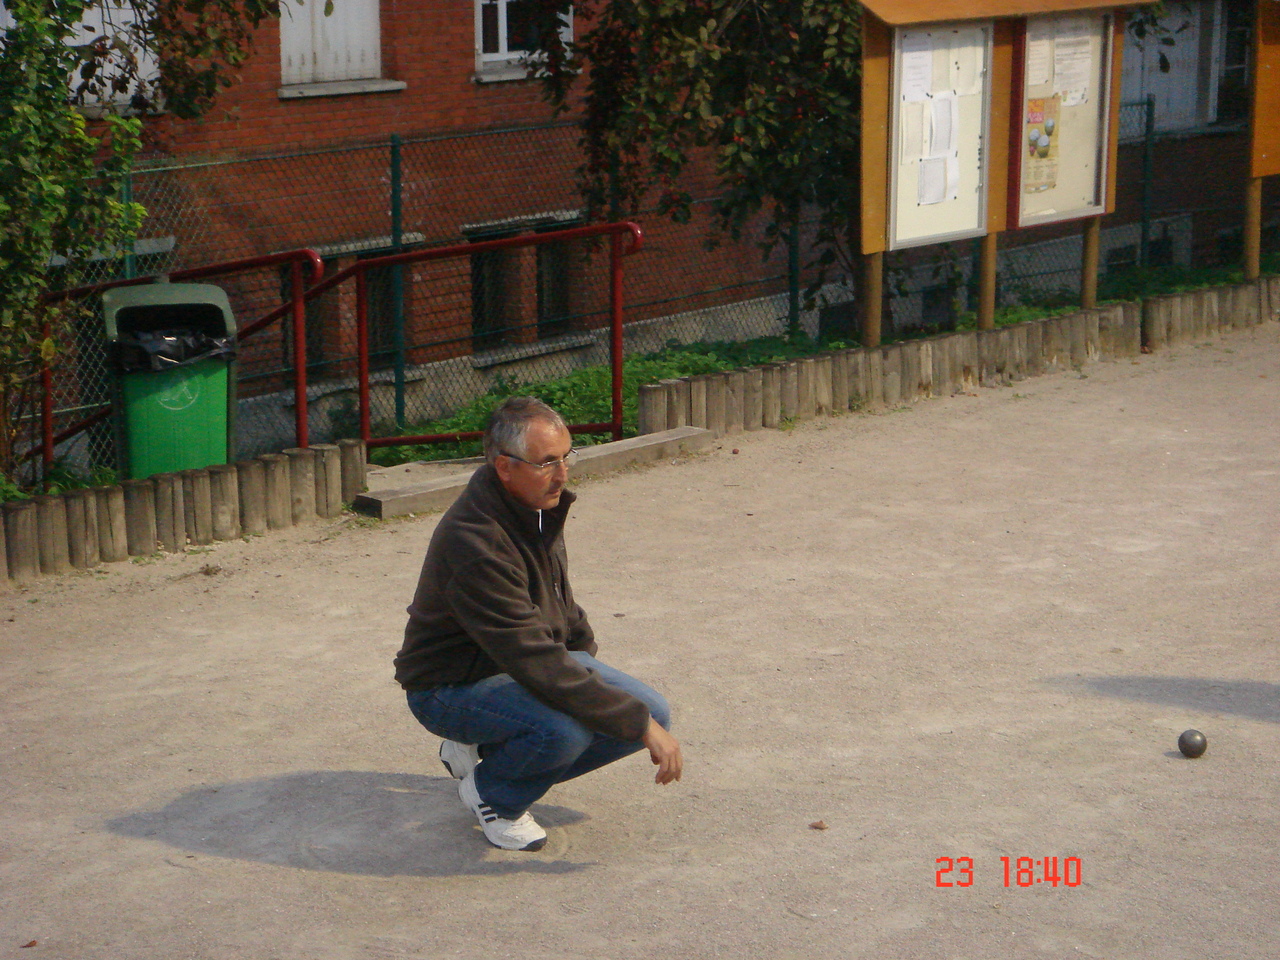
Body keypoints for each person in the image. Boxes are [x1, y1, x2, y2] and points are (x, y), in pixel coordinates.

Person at [394, 396, 682, 851]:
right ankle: (493, 795)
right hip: (449, 685)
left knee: (651, 710)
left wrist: (586, 662)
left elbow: (558, 600)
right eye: (547, 462)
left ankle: (486, 756)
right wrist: (624, 716)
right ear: (504, 467)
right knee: (565, 731)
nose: (563, 473)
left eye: (567, 456)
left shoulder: (534, 505)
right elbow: (531, 655)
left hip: (511, 661)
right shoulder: (475, 539)